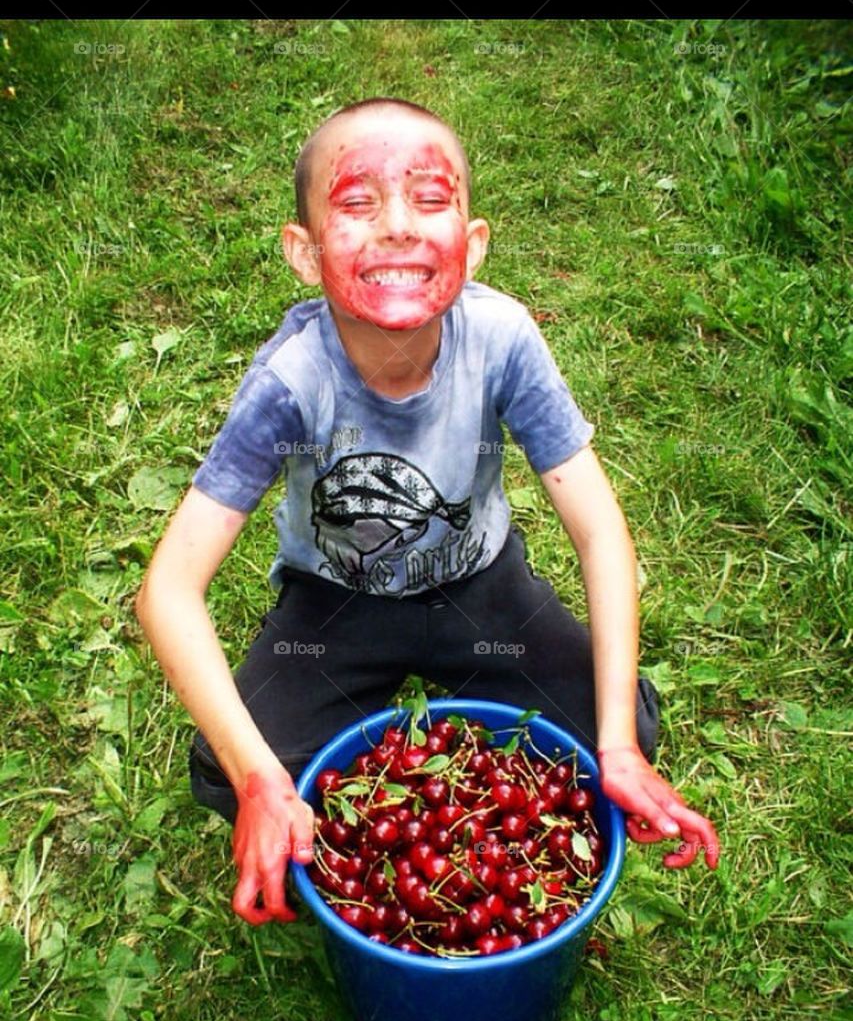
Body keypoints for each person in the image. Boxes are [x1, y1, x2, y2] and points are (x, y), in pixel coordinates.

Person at [135, 96, 720, 927]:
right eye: (357, 203)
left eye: (430, 199)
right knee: (227, 769)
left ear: (472, 244)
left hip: (481, 584)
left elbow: (599, 532)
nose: (398, 226)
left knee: (613, 732)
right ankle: (358, 730)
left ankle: (444, 720)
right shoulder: (290, 381)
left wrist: (618, 746)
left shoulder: (503, 340)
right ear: (303, 253)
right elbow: (167, 591)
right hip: (333, 603)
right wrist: (262, 780)